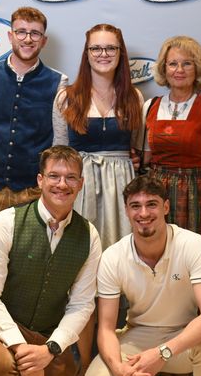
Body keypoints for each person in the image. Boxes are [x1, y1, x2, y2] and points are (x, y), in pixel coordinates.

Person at [0, 145, 102, 376]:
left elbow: (82, 304)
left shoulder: (89, 235)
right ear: (40, 180)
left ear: (81, 183)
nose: (62, 184)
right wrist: (21, 349)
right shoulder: (5, 223)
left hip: (48, 334)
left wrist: (51, 349)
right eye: (54, 176)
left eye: (71, 177)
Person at [84, 175, 201, 376]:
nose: (143, 213)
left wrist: (162, 352)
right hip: (137, 338)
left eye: (151, 204)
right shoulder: (113, 257)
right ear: (126, 210)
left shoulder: (192, 244)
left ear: (166, 207)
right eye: (135, 206)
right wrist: (119, 369)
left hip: (183, 336)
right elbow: (105, 329)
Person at [0, 6, 68, 249]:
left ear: (43, 40)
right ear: (10, 35)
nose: (28, 39)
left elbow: (60, 141)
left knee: (28, 262)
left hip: (32, 191)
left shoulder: (58, 82)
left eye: (35, 33)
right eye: (21, 32)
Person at [53, 23, 143, 250]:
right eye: (96, 48)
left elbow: (136, 147)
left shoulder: (134, 97)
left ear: (120, 53)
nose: (104, 54)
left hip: (121, 183)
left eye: (111, 48)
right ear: (87, 53)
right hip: (80, 183)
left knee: (120, 250)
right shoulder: (66, 97)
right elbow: (59, 151)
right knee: (80, 248)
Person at [143, 36, 201, 247]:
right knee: (154, 250)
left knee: (189, 252)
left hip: (193, 192)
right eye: (173, 64)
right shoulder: (150, 106)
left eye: (187, 63)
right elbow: (144, 158)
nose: (179, 70)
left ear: (197, 69)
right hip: (155, 191)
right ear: (164, 68)